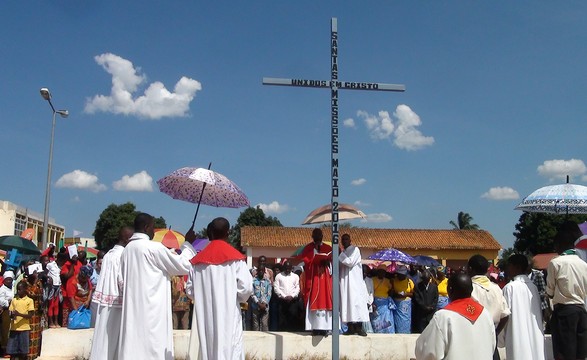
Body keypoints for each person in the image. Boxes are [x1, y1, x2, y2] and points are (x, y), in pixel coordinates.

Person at [118, 213, 193, 360]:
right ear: (146, 227)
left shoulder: (127, 250)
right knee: (153, 346)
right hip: (152, 310)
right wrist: (187, 244)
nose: (154, 231)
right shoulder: (154, 248)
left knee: (134, 346)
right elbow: (183, 265)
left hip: (133, 308)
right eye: (153, 227)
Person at [188, 217, 253, 360]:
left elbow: (190, 291)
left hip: (206, 313)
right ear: (228, 232)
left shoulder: (197, 261)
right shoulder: (236, 259)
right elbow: (247, 288)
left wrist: (203, 297)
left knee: (208, 348)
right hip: (229, 312)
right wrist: (235, 298)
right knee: (230, 347)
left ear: (210, 231)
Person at [415, 273, 496, 360]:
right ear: (471, 289)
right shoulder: (485, 314)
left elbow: (427, 352)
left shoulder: (443, 316)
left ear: (449, 290)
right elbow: (492, 345)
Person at [89, 226, 132, 360]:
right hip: (117, 304)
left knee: (102, 338)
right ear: (126, 239)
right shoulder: (123, 256)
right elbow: (122, 281)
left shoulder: (108, 254)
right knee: (114, 342)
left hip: (103, 303)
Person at [546, 221, 587, 360]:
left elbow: (550, 289)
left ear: (560, 245)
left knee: (564, 350)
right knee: (580, 351)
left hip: (564, 311)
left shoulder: (555, 262)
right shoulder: (583, 264)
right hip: (581, 310)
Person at [502, 254, 545, 360]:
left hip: (517, 333)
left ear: (517, 267)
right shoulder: (533, 287)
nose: (507, 269)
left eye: (509, 266)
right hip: (534, 334)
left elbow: (504, 313)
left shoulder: (509, 288)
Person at [468, 254, 510, 360]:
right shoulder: (496, 288)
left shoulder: (469, 288)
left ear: (470, 269)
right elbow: (505, 315)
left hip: (473, 336)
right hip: (492, 334)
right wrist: (495, 332)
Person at [297, 228, 333, 336]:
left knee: (326, 299)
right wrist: (315, 254)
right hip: (314, 279)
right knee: (314, 300)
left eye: (319, 235)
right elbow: (306, 262)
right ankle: (315, 327)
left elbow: (332, 262)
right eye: (315, 235)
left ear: (322, 236)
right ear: (312, 236)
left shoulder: (327, 248)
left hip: (325, 279)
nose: (317, 237)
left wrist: (328, 262)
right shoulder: (308, 248)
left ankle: (325, 328)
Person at [338, 234, 369, 336]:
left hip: (354, 283)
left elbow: (350, 262)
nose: (345, 241)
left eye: (346, 239)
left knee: (357, 304)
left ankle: (359, 328)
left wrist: (340, 254)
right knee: (347, 304)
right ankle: (350, 327)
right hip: (345, 283)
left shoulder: (355, 250)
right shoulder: (343, 253)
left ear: (350, 240)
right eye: (343, 240)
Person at [6, 282, 34, 360]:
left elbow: (30, 315)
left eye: (20, 289)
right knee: (12, 352)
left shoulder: (29, 300)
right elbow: (10, 312)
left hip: (24, 329)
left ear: (25, 290)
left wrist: (19, 314)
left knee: (23, 353)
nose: (18, 291)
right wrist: (12, 315)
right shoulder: (14, 300)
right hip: (14, 329)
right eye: (17, 289)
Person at [273, 261, 300, 331]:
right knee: (282, 321)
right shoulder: (278, 276)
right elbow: (276, 288)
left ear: (291, 268)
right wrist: (284, 296)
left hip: (293, 301)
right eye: (286, 268)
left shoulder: (295, 276)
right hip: (282, 301)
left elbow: (297, 288)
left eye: (289, 268)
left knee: (292, 319)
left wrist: (292, 296)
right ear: (284, 268)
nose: (287, 270)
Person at [25, 266, 45, 359]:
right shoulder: (24, 283)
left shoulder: (39, 283)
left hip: (37, 311)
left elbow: (40, 295)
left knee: (36, 333)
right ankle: (27, 355)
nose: (36, 275)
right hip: (27, 311)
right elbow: (31, 294)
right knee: (28, 334)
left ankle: (35, 354)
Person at [370, 264, 395, 334]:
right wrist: (372, 303)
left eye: (383, 272)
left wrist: (392, 285)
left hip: (385, 304)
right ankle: (379, 333)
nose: (382, 273)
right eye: (380, 271)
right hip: (376, 303)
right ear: (377, 272)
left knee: (386, 320)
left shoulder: (387, 281)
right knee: (377, 320)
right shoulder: (372, 280)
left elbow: (391, 293)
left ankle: (386, 333)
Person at [392, 265, 414, 334]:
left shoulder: (409, 282)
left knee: (406, 321)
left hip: (406, 305)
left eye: (402, 275)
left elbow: (413, 294)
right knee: (397, 321)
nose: (401, 276)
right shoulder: (393, 281)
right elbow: (391, 293)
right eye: (399, 275)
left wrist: (405, 294)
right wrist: (397, 294)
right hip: (397, 304)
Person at [44, 254, 64, 329]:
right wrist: (48, 278)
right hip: (51, 287)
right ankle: (51, 321)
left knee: (56, 305)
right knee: (51, 304)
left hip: (58, 286)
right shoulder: (50, 265)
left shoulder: (61, 266)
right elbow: (45, 273)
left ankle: (56, 321)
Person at [251, 263, 272, 331]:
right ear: (257, 271)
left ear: (264, 271)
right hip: (255, 306)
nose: (260, 272)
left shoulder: (268, 281)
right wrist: (258, 303)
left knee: (264, 324)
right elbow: (252, 293)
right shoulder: (253, 281)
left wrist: (265, 304)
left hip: (265, 307)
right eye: (259, 270)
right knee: (256, 325)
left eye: (262, 270)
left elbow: (269, 294)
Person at [0, 271, 15, 355]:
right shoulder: (2, 289)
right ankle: (4, 349)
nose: (9, 281)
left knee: (11, 329)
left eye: (10, 279)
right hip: (6, 310)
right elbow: (1, 300)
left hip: (14, 310)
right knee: (5, 330)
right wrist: (9, 302)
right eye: (7, 280)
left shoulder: (13, 287)